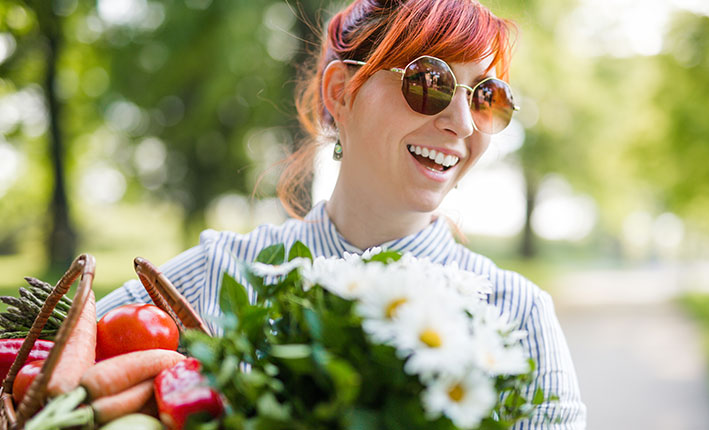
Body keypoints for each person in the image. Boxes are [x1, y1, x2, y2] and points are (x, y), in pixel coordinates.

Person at [97, 0, 587, 427]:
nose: (460, 123)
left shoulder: (518, 314)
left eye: (485, 98)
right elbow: (39, 364)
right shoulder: (211, 275)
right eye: (429, 80)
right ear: (341, 92)